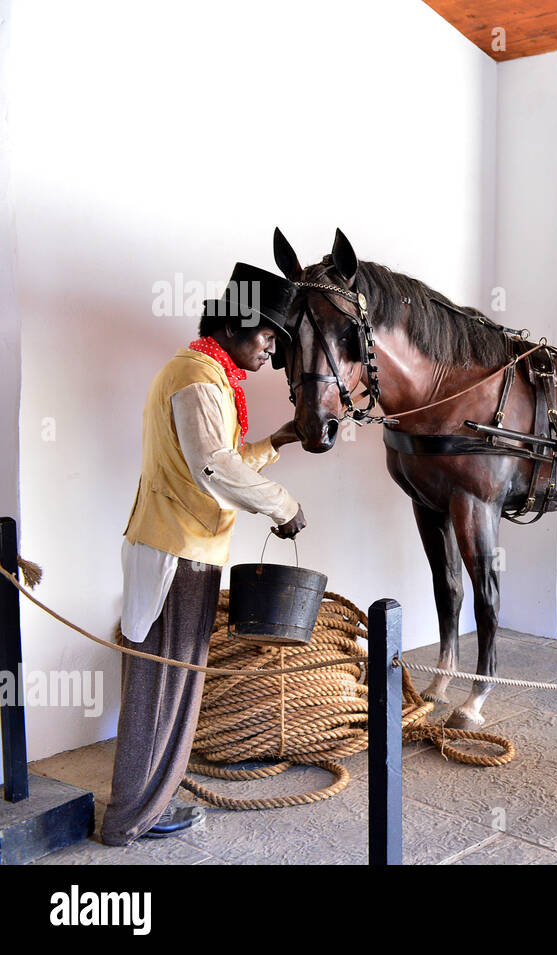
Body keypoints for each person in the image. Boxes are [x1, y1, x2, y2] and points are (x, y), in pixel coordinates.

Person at [101, 262, 306, 845]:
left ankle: (148, 799)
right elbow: (213, 466)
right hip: (176, 552)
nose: (268, 352)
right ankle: (132, 815)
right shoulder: (196, 376)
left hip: (181, 547)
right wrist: (282, 505)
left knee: (172, 679)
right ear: (238, 326)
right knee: (160, 681)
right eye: (266, 337)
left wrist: (277, 442)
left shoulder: (204, 373)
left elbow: (222, 455)